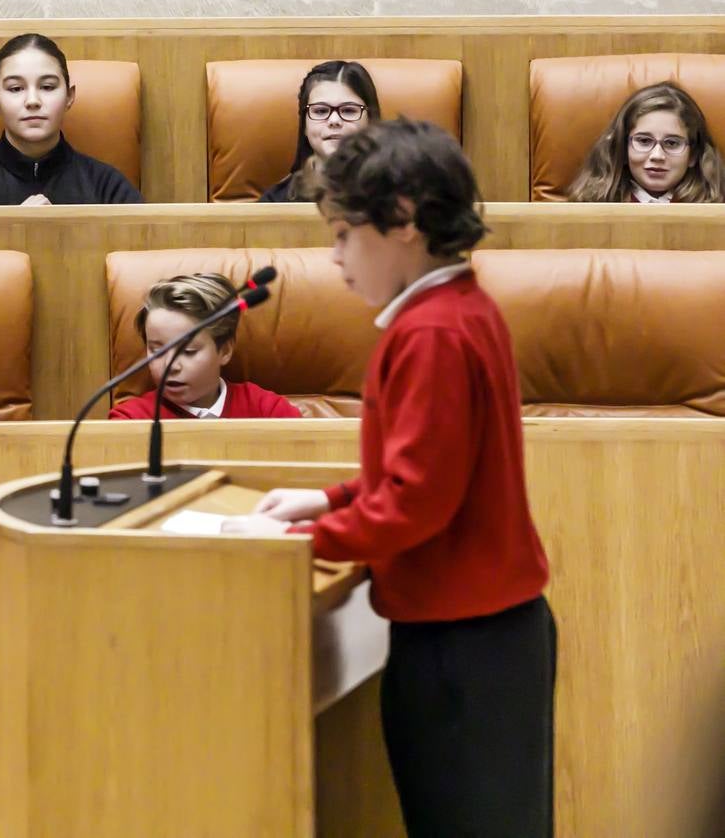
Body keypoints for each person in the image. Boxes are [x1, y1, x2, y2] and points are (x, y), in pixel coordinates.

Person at [226, 120, 554, 838]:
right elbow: (427, 469)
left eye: (343, 232)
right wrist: (329, 498)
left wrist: (295, 542)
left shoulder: (431, 333)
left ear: (402, 220)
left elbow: (416, 503)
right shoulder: (457, 308)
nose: (333, 252)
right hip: (482, 634)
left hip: (463, 644)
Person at [0, 33, 143, 206]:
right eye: (16, 88)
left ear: (69, 96)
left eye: (47, 87)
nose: (32, 101)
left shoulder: (107, 188)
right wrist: (16, 230)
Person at [108, 273, 300, 419]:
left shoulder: (268, 410)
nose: (170, 366)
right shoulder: (130, 420)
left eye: (188, 351)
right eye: (158, 351)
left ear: (224, 350)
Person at [565, 81, 725, 203]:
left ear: (693, 155)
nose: (657, 156)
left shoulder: (715, 209)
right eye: (644, 141)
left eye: (672, 143)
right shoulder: (590, 206)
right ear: (622, 147)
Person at [260, 60, 382, 202]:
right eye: (321, 111)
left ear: (371, 120)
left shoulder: (398, 197)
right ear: (305, 125)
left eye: (348, 110)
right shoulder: (274, 203)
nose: (334, 120)